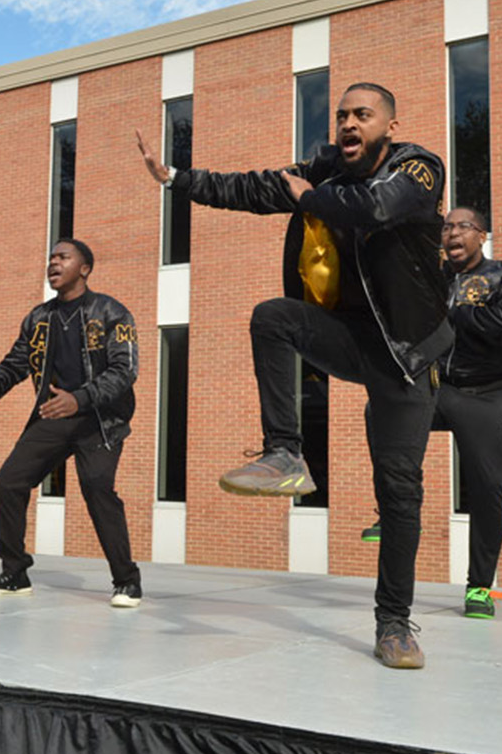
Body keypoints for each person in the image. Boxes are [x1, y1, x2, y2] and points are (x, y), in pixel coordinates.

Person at [136, 82, 451, 667]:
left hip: (406, 356)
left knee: (399, 491)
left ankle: (395, 624)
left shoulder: (419, 168)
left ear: (389, 124)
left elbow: (377, 207)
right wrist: (176, 179)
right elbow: (255, 188)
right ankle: (286, 452)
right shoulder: (324, 171)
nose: (349, 124)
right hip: (352, 337)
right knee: (274, 319)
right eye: (342, 116)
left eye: (363, 115)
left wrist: (309, 198)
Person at [0, 239, 143, 608]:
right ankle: (14, 574)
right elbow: (16, 363)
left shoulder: (111, 312)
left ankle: (126, 580)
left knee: (97, 488)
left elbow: (124, 371)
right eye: (51, 257)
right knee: (8, 483)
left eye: (63, 257)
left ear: (84, 268)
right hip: (52, 415)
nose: (53, 262)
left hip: (99, 418)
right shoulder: (38, 318)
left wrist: (78, 398)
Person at [433, 206, 502, 619]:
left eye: (463, 226)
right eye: (447, 227)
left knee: (488, 494)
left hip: (496, 397)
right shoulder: (431, 276)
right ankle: (394, 510)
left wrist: (454, 312)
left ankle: (479, 588)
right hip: (445, 391)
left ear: (482, 235)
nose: (453, 233)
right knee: (381, 411)